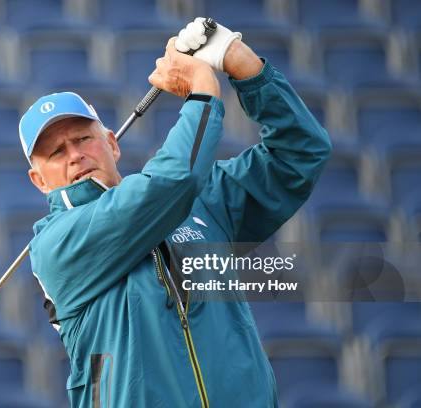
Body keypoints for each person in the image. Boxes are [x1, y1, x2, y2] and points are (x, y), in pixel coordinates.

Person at [18, 17, 331, 407]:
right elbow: (173, 181)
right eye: (55, 152)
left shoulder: (201, 201)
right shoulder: (53, 245)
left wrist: (245, 67)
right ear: (39, 180)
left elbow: (300, 154)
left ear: (112, 144)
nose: (76, 155)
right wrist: (202, 90)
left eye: (83, 138)